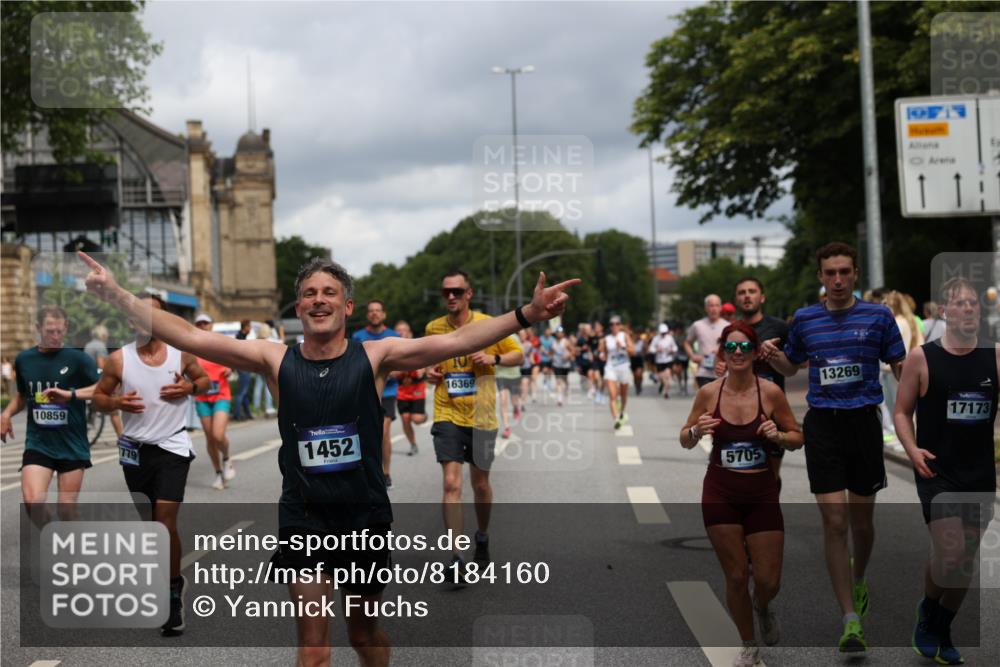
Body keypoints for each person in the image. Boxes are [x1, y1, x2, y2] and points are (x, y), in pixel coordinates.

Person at [78, 251, 577, 667]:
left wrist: (527, 315)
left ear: (347, 306)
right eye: (310, 293)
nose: (319, 299)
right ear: (299, 306)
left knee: (362, 636)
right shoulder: (274, 358)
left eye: (329, 292)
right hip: (304, 516)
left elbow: (454, 341)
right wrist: (119, 294)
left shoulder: (376, 356)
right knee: (314, 649)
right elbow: (191, 336)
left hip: (363, 514)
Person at [759, 242, 906, 654]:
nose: (837, 280)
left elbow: (900, 365)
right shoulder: (805, 319)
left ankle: (858, 580)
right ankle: (849, 619)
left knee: (862, 524)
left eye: (844, 272)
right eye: (830, 273)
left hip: (863, 422)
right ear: (820, 277)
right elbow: (791, 365)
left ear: (855, 273)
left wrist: (928, 382)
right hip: (823, 424)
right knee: (835, 522)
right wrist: (773, 357)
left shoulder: (878, 316)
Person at [45, 294, 210, 637]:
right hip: (135, 451)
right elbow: (100, 399)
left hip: (173, 447)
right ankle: (167, 579)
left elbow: (204, 381)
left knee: (164, 521)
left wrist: (190, 386)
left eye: (154, 313)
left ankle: (172, 593)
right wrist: (117, 402)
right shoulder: (120, 359)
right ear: (131, 320)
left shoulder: (181, 353)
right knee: (151, 526)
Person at [680, 321, 803, 667]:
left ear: (755, 353)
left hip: (761, 494)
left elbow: (797, 437)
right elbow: (685, 438)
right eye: (731, 347)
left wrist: (779, 437)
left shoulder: (770, 393)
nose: (738, 353)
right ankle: (748, 645)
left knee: (768, 581)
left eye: (745, 347)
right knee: (736, 576)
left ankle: (762, 606)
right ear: (722, 352)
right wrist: (696, 430)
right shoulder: (709, 393)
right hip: (720, 493)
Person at [894, 277, 998, 666]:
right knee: (951, 554)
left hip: (979, 473)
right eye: (959, 303)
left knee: (964, 560)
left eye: (973, 303)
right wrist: (911, 449)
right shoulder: (922, 358)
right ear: (943, 311)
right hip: (937, 470)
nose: (968, 308)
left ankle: (941, 626)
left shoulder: (995, 356)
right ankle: (928, 610)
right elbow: (901, 412)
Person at [425, 269, 525, 579]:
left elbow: (519, 355)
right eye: (446, 292)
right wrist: (430, 373)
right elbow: (429, 362)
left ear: (469, 294)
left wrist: (495, 360)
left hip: (482, 415)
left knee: (480, 484)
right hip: (447, 412)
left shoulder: (487, 324)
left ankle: (482, 535)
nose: (450, 296)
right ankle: (456, 556)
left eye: (457, 291)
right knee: (451, 484)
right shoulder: (433, 328)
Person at [1, 306, 100, 526]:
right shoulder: (25, 359)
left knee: (66, 510)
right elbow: (22, 395)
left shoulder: (78, 359)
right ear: (38, 328)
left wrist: (70, 394)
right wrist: (6, 414)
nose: (55, 336)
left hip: (72, 444)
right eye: (49, 331)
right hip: (39, 444)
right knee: (32, 502)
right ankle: (53, 536)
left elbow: (105, 388)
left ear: (66, 328)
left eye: (59, 331)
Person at [728, 277, 791, 490]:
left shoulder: (779, 327)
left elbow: (797, 364)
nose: (747, 296)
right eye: (742, 292)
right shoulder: (732, 330)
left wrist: (775, 354)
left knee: (770, 476)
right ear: (736, 299)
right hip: (738, 410)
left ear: (762, 297)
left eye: (752, 291)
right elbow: (723, 361)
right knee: (741, 475)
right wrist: (721, 367)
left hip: (772, 410)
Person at [352, 301, 401, 488]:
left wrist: (387, 372)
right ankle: (366, 472)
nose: (374, 314)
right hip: (364, 392)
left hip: (387, 392)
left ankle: (385, 473)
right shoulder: (357, 337)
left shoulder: (394, 336)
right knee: (363, 434)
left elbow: (402, 367)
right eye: (371, 311)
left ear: (384, 314)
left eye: (377, 311)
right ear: (367, 315)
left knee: (383, 432)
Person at [192, 314, 236, 490]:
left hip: (221, 395)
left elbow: (232, 360)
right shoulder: (192, 346)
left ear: (211, 325)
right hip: (202, 397)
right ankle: (218, 473)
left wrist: (230, 368)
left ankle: (227, 459)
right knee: (210, 438)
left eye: (206, 322)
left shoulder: (220, 343)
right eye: (199, 323)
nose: (203, 325)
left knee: (218, 435)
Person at [83, 324, 123, 438]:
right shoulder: (100, 346)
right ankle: (121, 438)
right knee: (114, 411)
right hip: (97, 380)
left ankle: (90, 418)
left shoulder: (88, 345)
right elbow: (102, 365)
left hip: (87, 379)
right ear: (103, 335)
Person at [394, 321, 426, 456]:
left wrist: (422, 369)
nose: (402, 333)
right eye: (398, 331)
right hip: (402, 391)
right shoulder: (392, 350)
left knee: (417, 419)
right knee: (405, 418)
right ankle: (413, 444)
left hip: (417, 389)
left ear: (410, 333)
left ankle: (424, 416)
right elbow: (391, 373)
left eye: (404, 330)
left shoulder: (417, 348)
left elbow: (424, 367)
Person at [685, 295, 728, 389]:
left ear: (720, 308)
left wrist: (721, 350)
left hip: (722, 373)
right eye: (711, 305)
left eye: (717, 305)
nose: (714, 309)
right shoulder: (697, 325)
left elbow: (733, 346)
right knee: (707, 398)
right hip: (703, 372)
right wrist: (692, 356)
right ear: (706, 308)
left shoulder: (727, 326)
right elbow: (687, 343)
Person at [600, 315, 634, 430]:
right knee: (613, 395)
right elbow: (603, 352)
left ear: (620, 325)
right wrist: (602, 355)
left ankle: (622, 411)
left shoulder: (624, 336)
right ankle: (616, 419)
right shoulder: (606, 338)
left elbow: (633, 351)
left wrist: (623, 347)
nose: (614, 326)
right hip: (611, 368)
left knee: (623, 394)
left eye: (616, 324)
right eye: (612, 324)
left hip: (624, 368)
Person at [496, 333, 524, 439]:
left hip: (514, 374)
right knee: (503, 400)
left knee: (514, 400)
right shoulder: (495, 337)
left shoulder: (514, 337)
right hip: (500, 374)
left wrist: (521, 361)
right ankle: (507, 428)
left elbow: (521, 354)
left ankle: (516, 408)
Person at [253, 323, 277, 417]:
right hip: (267, 367)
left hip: (258, 366)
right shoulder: (270, 341)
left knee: (258, 387)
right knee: (268, 387)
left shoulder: (256, 342)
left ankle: (256, 409)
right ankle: (268, 407)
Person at [232, 320, 254, 421]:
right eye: (249, 326)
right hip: (243, 367)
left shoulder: (241, 336)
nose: (250, 328)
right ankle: (237, 414)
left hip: (243, 366)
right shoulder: (240, 338)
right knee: (242, 391)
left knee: (244, 391)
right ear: (245, 327)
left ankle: (247, 413)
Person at [651, 323, 678, 398]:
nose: (663, 334)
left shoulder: (670, 338)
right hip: (659, 361)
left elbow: (675, 347)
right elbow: (651, 348)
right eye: (662, 333)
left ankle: (666, 392)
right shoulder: (656, 339)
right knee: (662, 377)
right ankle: (662, 384)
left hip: (668, 360)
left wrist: (672, 350)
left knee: (668, 375)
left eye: (665, 333)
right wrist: (656, 350)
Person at [551, 327, 574, 407]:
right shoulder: (553, 342)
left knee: (565, 380)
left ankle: (567, 387)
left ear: (563, 334)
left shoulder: (566, 342)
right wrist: (552, 357)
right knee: (558, 381)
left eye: (560, 332)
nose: (559, 334)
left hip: (565, 365)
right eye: (558, 332)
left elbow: (573, 351)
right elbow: (552, 353)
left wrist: (568, 356)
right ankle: (559, 399)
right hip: (556, 364)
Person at [518, 328, 536, 415]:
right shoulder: (515, 344)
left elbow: (531, 357)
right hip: (517, 368)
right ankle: (519, 400)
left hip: (526, 367)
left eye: (523, 335)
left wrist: (534, 364)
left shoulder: (529, 345)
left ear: (526, 335)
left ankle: (522, 402)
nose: (522, 336)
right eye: (520, 335)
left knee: (524, 384)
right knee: (519, 386)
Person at [589, 321, 607, 404]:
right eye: (595, 327)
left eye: (598, 326)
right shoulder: (592, 337)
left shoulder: (606, 337)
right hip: (595, 360)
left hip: (604, 361)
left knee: (603, 380)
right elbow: (589, 347)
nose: (596, 328)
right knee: (597, 378)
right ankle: (597, 393)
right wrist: (590, 354)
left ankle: (601, 394)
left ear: (602, 327)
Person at [538, 327, 555, 394]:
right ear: (545, 332)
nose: (548, 333)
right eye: (547, 331)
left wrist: (552, 355)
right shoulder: (541, 338)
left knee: (550, 371)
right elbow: (540, 347)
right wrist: (546, 352)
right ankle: (545, 382)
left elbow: (553, 348)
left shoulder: (552, 339)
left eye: (549, 332)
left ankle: (549, 382)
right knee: (544, 370)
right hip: (543, 358)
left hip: (550, 358)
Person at [629, 327, 646, 395]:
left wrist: (645, 344)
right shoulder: (631, 341)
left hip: (639, 359)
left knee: (639, 374)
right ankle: (637, 386)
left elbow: (645, 350)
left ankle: (639, 384)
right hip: (633, 359)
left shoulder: (642, 341)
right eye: (636, 334)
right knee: (635, 375)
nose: (638, 335)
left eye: (639, 334)